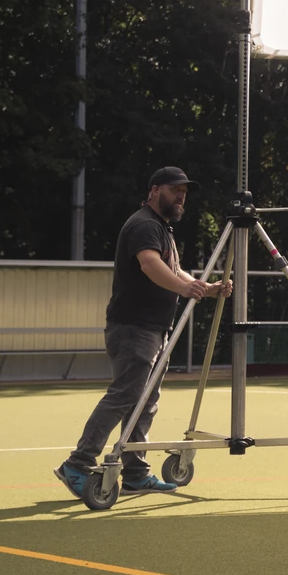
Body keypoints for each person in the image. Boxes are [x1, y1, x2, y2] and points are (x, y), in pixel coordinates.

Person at [55, 167, 230, 499]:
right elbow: (151, 265)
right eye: (174, 189)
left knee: (145, 401)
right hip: (134, 328)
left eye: (185, 192)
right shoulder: (144, 225)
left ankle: (136, 472)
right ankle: (77, 464)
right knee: (125, 396)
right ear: (154, 191)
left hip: (153, 328)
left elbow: (175, 269)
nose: (181, 196)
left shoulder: (162, 229)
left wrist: (206, 289)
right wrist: (186, 287)